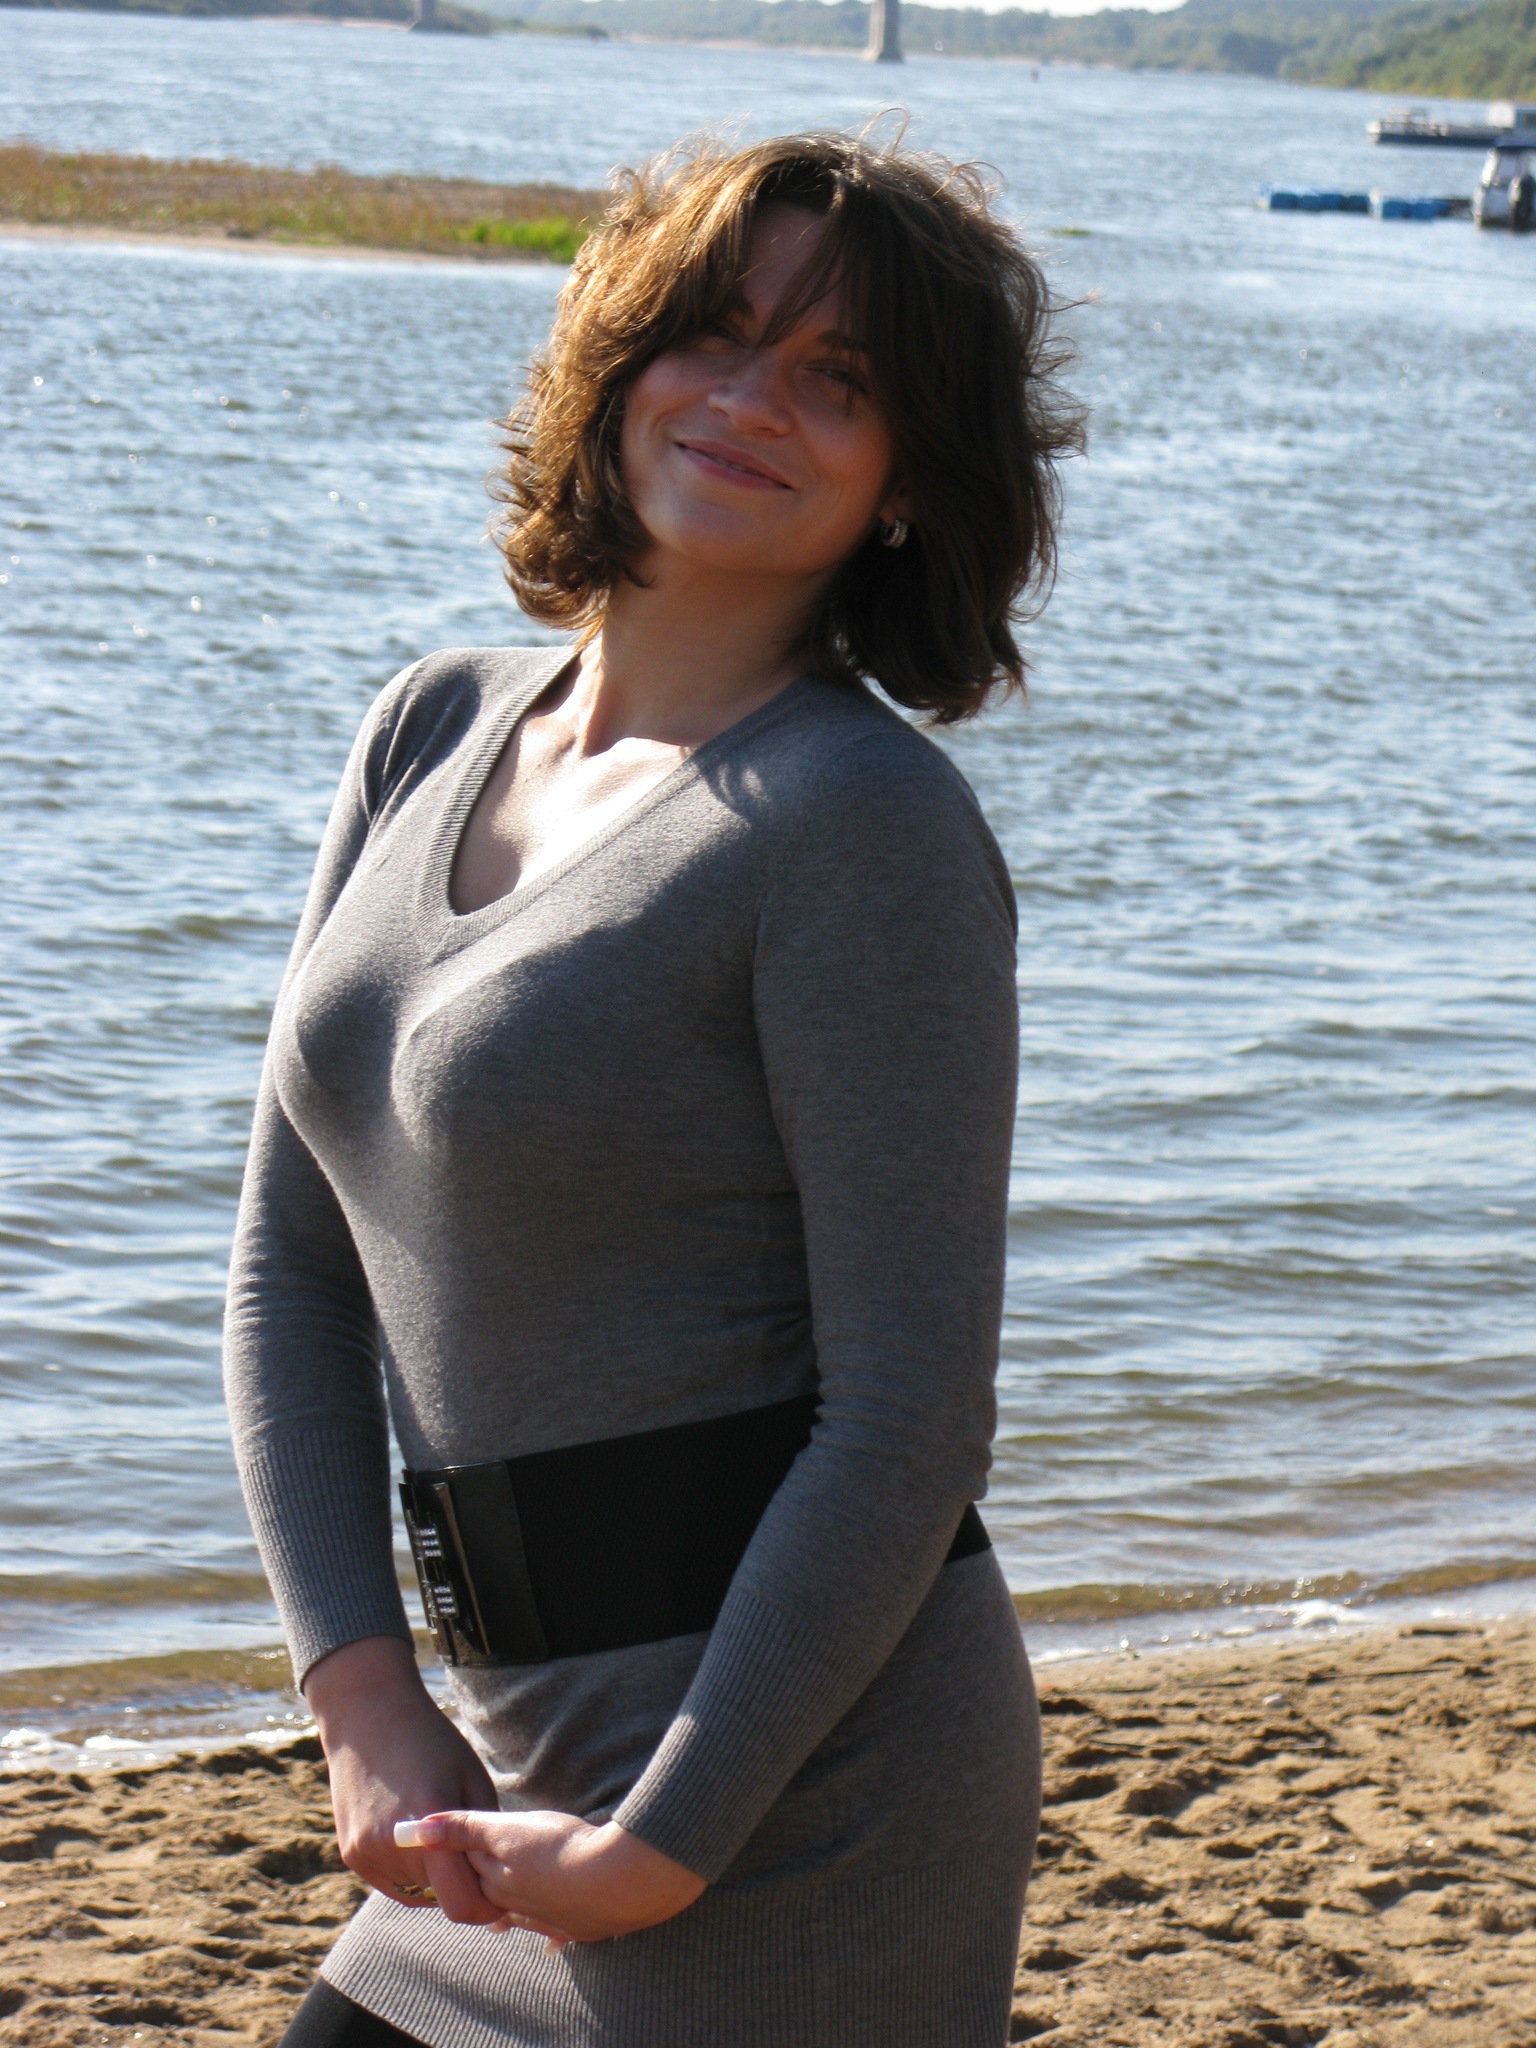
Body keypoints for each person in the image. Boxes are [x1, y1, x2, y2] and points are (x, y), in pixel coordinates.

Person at [223, 130, 1082, 2048]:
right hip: (505, 1772)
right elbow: (291, 1265)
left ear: (908, 481)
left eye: (839, 377)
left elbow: (907, 1421)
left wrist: (665, 1843)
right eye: (715, 330)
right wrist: (358, 1689)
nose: (753, 398)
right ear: (618, 358)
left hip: (799, 1801)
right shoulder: (430, 727)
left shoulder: (863, 829)